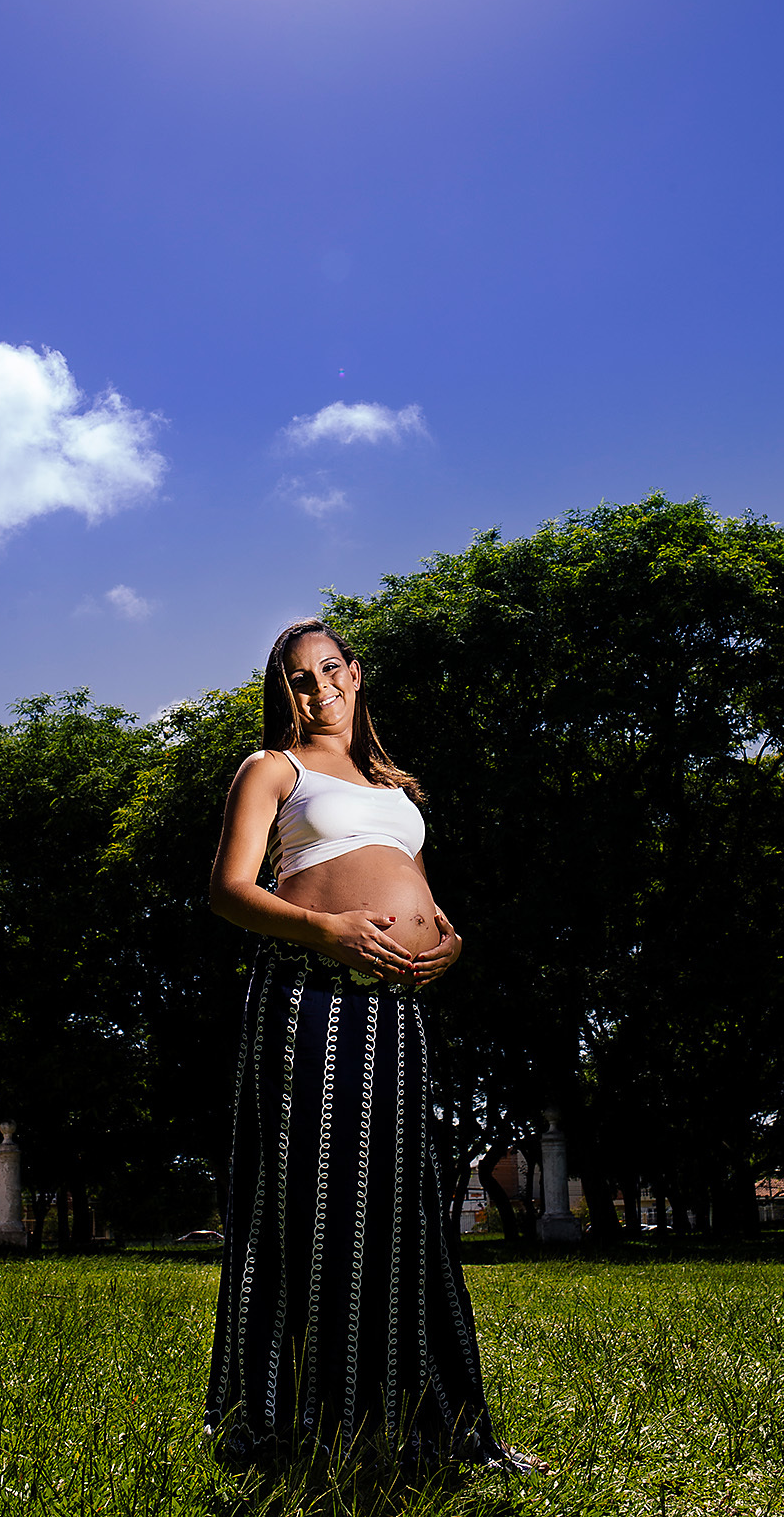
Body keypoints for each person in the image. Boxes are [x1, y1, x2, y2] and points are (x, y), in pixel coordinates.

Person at [204, 618, 538, 1473]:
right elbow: (229, 890)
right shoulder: (273, 770)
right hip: (309, 997)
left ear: (355, 674)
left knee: (404, 1216)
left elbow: (406, 879)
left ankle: (432, 1426)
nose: (319, 693)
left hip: (399, 1014)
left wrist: (449, 938)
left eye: (328, 672)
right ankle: (299, 1430)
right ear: (284, 695)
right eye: (298, 682)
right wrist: (326, 928)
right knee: (315, 1211)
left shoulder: (393, 787)